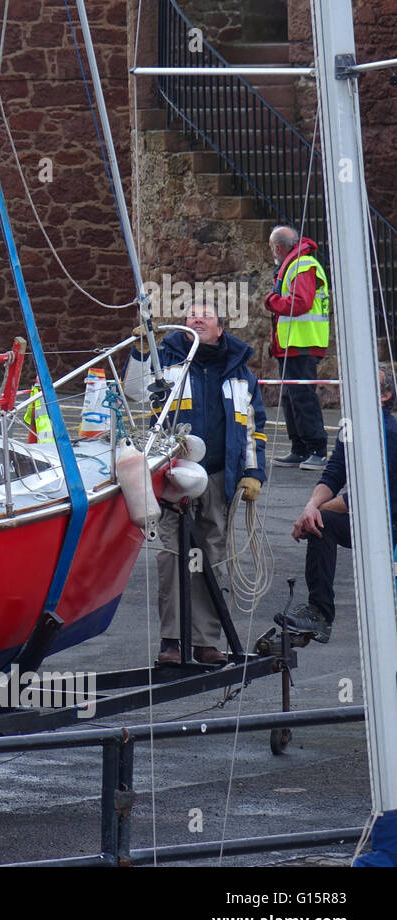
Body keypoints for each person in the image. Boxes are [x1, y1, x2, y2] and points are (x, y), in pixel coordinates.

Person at [125, 303, 267, 664]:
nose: (196, 320)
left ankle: (205, 641)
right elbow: (135, 392)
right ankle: (172, 641)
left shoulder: (240, 375)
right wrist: (141, 351)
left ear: (221, 328)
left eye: (205, 315)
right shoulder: (168, 360)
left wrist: (253, 473)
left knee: (211, 559)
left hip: (218, 479)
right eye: (191, 315)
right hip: (173, 477)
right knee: (172, 557)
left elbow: (253, 429)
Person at [280, 366, 397, 642]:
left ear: (385, 396)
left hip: (391, 522)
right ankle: (319, 614)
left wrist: (318, 511)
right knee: (322, 524)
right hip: (373, 521)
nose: (350, 388)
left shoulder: (388, 432)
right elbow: (334, 473)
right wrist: (311, 508)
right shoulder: (351, 426)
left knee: (321, 518)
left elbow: (374, 494)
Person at [265, 225, 330, 470]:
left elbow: (300, 303)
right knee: (291, 397)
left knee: (302, 397)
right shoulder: (296, 264)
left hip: (303, 342)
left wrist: (271, 301)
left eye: (272, 248)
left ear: (278, 247)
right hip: (293, 342)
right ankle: (300, 448)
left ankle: (316, 449)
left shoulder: (302, 265)